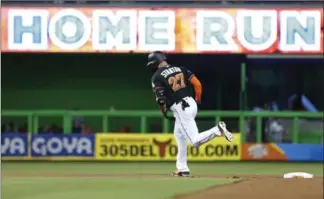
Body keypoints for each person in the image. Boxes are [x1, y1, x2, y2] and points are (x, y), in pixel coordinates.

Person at [147, 51, 233, 177]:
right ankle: (182, 169)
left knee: (194, 141)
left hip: (180, 107)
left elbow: (161, 99)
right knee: (179, 135)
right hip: (191, 103)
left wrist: (163, 110)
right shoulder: (181, 68)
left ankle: (217, 130)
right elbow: (197, 84)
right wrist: (197, 98)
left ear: (155, 62)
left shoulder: (157, 76)